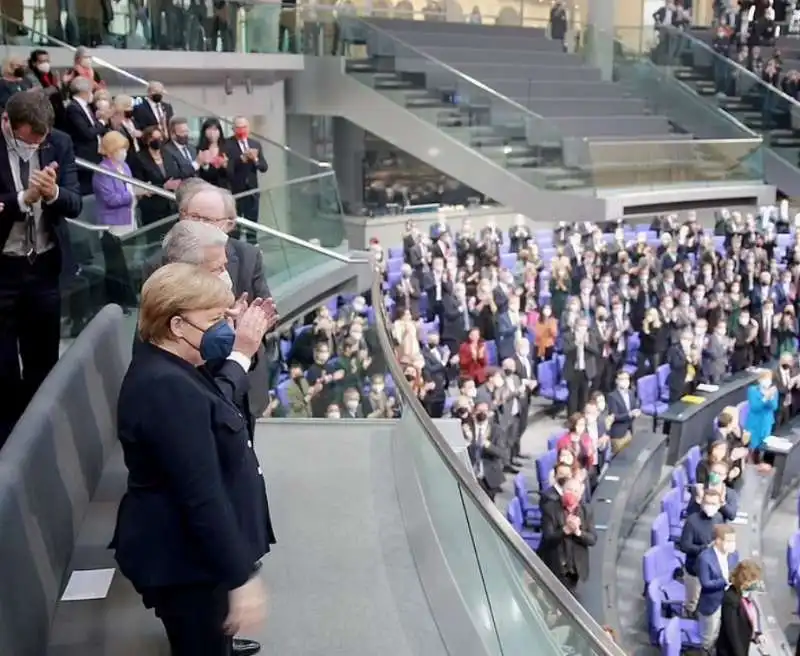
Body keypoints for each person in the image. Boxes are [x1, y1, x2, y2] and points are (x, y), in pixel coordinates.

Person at [111, 263, 273, 656]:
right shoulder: (166, 388)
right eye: (216, 319)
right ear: (178, 325)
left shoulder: (175, 367)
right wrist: (241, 578)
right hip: (186, 564)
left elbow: (217, 403)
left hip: (193, 557)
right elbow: (200, 493)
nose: (226, 328)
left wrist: (240, 351)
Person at [0, 89, 82, 444]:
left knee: (43, 361)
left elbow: (75, 201)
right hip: (2, 271)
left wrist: (51, 194)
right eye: (29, 141)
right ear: (8, 123)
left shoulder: (59, 143)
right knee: (3, 371)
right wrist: (22, 199)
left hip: (44, 267)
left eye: (41, 141)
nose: (36, 147)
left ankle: (39, 441)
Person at [538, 477, 597, 595]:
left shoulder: (586, 511)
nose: (572, 494)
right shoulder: (550, 509)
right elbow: (548, 538)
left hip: (575, 568)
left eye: (576, 491)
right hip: (556, 564)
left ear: (580, 495)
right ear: (563, 491)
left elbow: (592, 539)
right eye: (569, 490)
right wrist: (565, 530)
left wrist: (578, 532)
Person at [679, 488, 727, 617]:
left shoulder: (719, 518)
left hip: (712, 570)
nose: (710, 507)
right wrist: (705, 548)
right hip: (694, 570)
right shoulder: (692, 521)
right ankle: (688, 618)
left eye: (713, 504)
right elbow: (684, 546)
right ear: (701, 502)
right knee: (692, 602)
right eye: (708, 503)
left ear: (719, 505)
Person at [696, 524, 739, 651]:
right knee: (708, 638)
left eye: (733, 541)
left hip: (727, 601)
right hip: (711, 603)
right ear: (718, 541)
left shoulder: (734, 555)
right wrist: (725, 581)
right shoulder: (705, 558)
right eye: (729, 541)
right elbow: (706, 583)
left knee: (721, 634)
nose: (732, 544)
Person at [64, 76, 105, 195]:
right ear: (84, 91)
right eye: (91, 90)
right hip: (84, 157)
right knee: (87, 191)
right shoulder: (73, 108)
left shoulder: (86, 107)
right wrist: (102, 122)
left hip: (94, 156)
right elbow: (86, 133)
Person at [132, 125, 180, 225]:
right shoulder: (139, 158)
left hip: (171, 204)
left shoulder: (166, 153)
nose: (158, 141)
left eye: (160, 138)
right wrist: (163, 187)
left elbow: (174, 173)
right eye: (154, 138)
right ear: (147, 140)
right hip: (152, 206)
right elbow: (140, 185)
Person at [93, 131, 137, 235]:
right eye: (120, 149)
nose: (124, 152)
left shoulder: (124, 166)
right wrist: (132, 194)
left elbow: (130, 187)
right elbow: (111, 199)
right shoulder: (102, 171)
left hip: (130, 216)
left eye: (124, 148)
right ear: (110, 151)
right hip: (114, 222)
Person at [717, 560, 765, 656]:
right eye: (753, 581)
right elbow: (732, 633)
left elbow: (752, 616)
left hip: (743, 645)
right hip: (731, 651)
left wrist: (757, 634)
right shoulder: (731, 599)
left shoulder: (745, 596)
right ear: (745, 581)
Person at [225, 117, 268, 221]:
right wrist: (240, 159)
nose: (241, 131)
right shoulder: (226, 144)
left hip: (252, 191)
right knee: (235, 225)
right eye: (238, 128)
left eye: (244, 127)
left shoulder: (255, 144)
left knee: (253, 224)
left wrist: (255, 159)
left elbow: (264, 167)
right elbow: (226, 168)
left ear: (248, 128)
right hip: (235, 191)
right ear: (233, 129)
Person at [744, 369, 779, 470]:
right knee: (753, 446)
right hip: (754, 422)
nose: (767, 381)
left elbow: (774, 407)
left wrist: (771, 397)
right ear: (759, 380)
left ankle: (760, 463)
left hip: (766, 422)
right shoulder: (752, 390)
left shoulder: (773, 391)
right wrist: (765, 398)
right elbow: (755, 407)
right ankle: (750, 466)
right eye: (765, 379)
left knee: (763, 446)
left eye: (769, 379)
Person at [163, 116, 201, 180]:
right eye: (182, 132)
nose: (186, 134)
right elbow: (175, 175)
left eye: (187, 131)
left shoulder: (192, 148)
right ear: (173, 134)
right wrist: (196, 164)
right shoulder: (167, 150)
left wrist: (205, 164)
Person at [197, 117, 230, 189]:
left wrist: (225, 166)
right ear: (204, 131)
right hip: (205, 188)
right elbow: (199, 174)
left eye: (215, 129)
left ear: (220, 131)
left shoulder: (227, 148)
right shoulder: (199, 150)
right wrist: (205, 165)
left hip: (223, 189)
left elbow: (232, 173)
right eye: (209, 129)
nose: (212, 132)